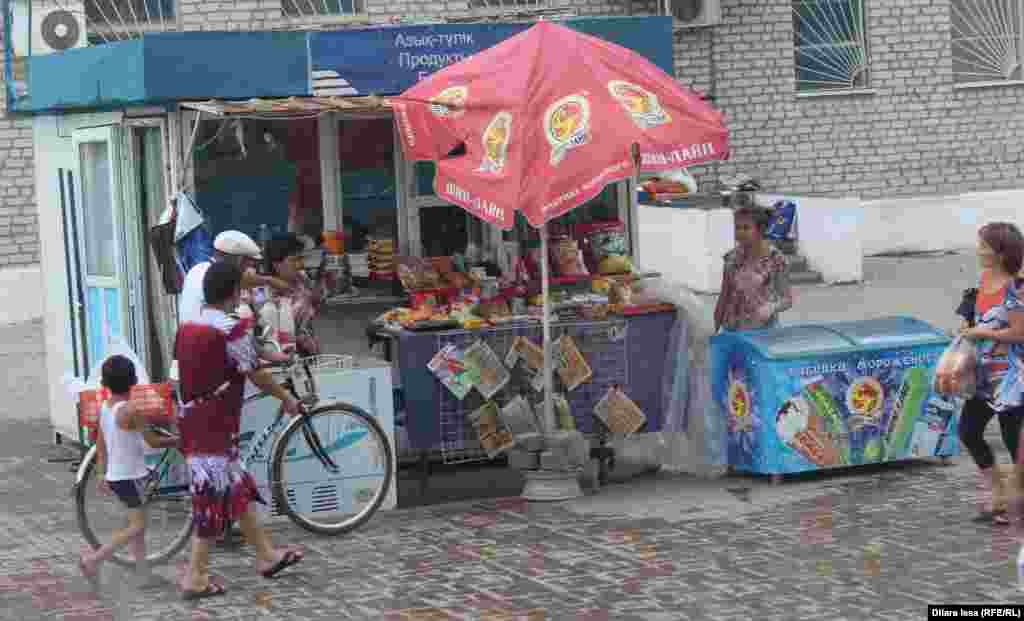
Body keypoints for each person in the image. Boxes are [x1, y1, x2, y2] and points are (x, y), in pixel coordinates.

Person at [174, 262, 304, 600]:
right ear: (234, 292)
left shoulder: (189, 324)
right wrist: (286, 397)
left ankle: (266, 555)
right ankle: (195, 576)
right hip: (215, 423)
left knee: (235, 487)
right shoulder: (232, 328)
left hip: (191, 419)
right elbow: (255, 373)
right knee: (212, 497)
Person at [79, 355, 176, 589]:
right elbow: (152, 441)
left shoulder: (105, 407)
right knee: (137, 527)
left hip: (117, 476)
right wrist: (178, 441)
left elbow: (100, 444)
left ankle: (142, 574)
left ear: (105, 382)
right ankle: (94, 560)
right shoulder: (132, 411)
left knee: (136, 525)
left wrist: (102, 473)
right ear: (133, 380)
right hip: (131, 476)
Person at [957, 222, 1024, 525]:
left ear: (1000, 252)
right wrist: (966, 329)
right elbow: (975, 317)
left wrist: (981, 331)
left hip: (1011, 377)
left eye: (984, 245)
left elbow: (1020, 333)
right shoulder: (983, 281)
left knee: (1013, 443)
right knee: (969, 432)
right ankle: (998, 494)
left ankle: (1013, 502)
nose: (978, 250)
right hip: (984, 376)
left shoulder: (1016, 287)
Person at [714, 199, 794, 333]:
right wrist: (714, 330)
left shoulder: (776, 260)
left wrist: (772, 307)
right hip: (732, 330)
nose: (739, 232)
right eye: (737, 227)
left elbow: (787, 299)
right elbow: (724, 296)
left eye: (746, 228)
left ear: (761, 229)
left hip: (764, 333)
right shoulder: (731, 259)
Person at [178, 230, 289, 325]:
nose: (246, 271)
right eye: (246, 265)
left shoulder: (199, 268)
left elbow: (245, 279)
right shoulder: (217, 279)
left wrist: (269, 280)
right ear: (239, 261)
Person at [258, 233, 324, 356]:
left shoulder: (302, 280)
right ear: (276, 264)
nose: (300, 265)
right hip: (279, 356)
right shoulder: (264, 293)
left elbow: (314, 304)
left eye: (301, 259)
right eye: (294, 260)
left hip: (309, 353)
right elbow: (264, 335)